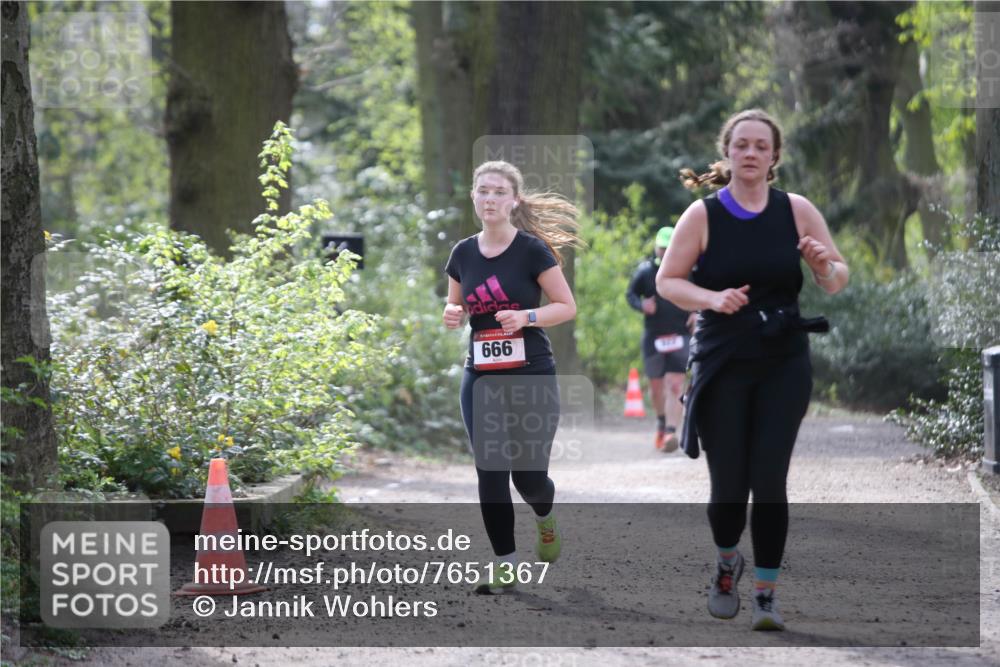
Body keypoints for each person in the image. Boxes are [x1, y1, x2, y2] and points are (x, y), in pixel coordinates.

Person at [656, 109, 848, 630]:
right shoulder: (703, 215)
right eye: (741, 144)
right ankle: (726, 562)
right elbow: (668, 282)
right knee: (727, 488)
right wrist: (712, 298)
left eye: (760, 146)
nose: (749, 153)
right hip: (723, 361)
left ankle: (765, 595)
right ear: (728, 151)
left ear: (774, 157)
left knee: (769, 479)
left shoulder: (796, 210)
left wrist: (819, 263)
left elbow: (835, 279)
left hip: (783, 360)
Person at [443, 160, 581, 594]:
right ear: (473, 196)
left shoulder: (531, 250)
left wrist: (526, 316)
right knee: (490, 469)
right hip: (481, 376)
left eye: (499, 192)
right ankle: (505, 562)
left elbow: (565, 306)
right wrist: (451, 313)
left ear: (514, 200)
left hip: (531, 375)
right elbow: (456, 306)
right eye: (483, 190)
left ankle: (544, 515)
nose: (490, 198)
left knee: (528, 478)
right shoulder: (462, 253)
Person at [626, 226, 694, 452]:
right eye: (661, 247)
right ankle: (662, 421)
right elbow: (631, 295)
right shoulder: (645, 272)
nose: (664, 252)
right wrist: (642, 305)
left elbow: (701, 291)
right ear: (656, 247)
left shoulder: (687, 269)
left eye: (668, 248)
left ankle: (671, 433)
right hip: (654, 336)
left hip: (680, 334)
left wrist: (696, 312)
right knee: (656, 388)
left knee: (675, 384)